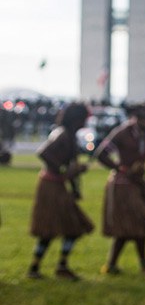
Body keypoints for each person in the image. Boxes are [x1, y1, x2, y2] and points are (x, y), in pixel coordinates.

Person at [94, 100, 145, 275]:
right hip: (122, 185)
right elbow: (101, 154)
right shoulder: (122, 133)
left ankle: (121, 264)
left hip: (139, 184)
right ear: (138, 118)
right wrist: (121, 168)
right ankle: (130, 264)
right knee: (131, 225)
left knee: (137, 224)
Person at [27, 102, 94, 280]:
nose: (85, 123)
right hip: (51, 185)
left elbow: (71, 166)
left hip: (58, 185)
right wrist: (63, 172)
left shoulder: (70, 136)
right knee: (55, 228)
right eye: (83, 119)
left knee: (71, 227)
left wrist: (74, 185)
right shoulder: (62, 134)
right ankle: (43, 267)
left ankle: (52, 266)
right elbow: (43, 153)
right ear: (76, 119)